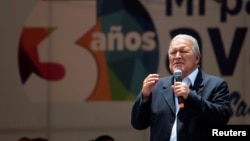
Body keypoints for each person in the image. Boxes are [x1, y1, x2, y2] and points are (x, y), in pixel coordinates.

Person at [131, 34, 231, 141]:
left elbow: (221, 118)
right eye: (173, 52)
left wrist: (191, 96)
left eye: (183, 51)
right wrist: (144, 96)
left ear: (197, 58)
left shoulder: (216, 85)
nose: (177, 56)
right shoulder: (157, 86)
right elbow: (138, 124)